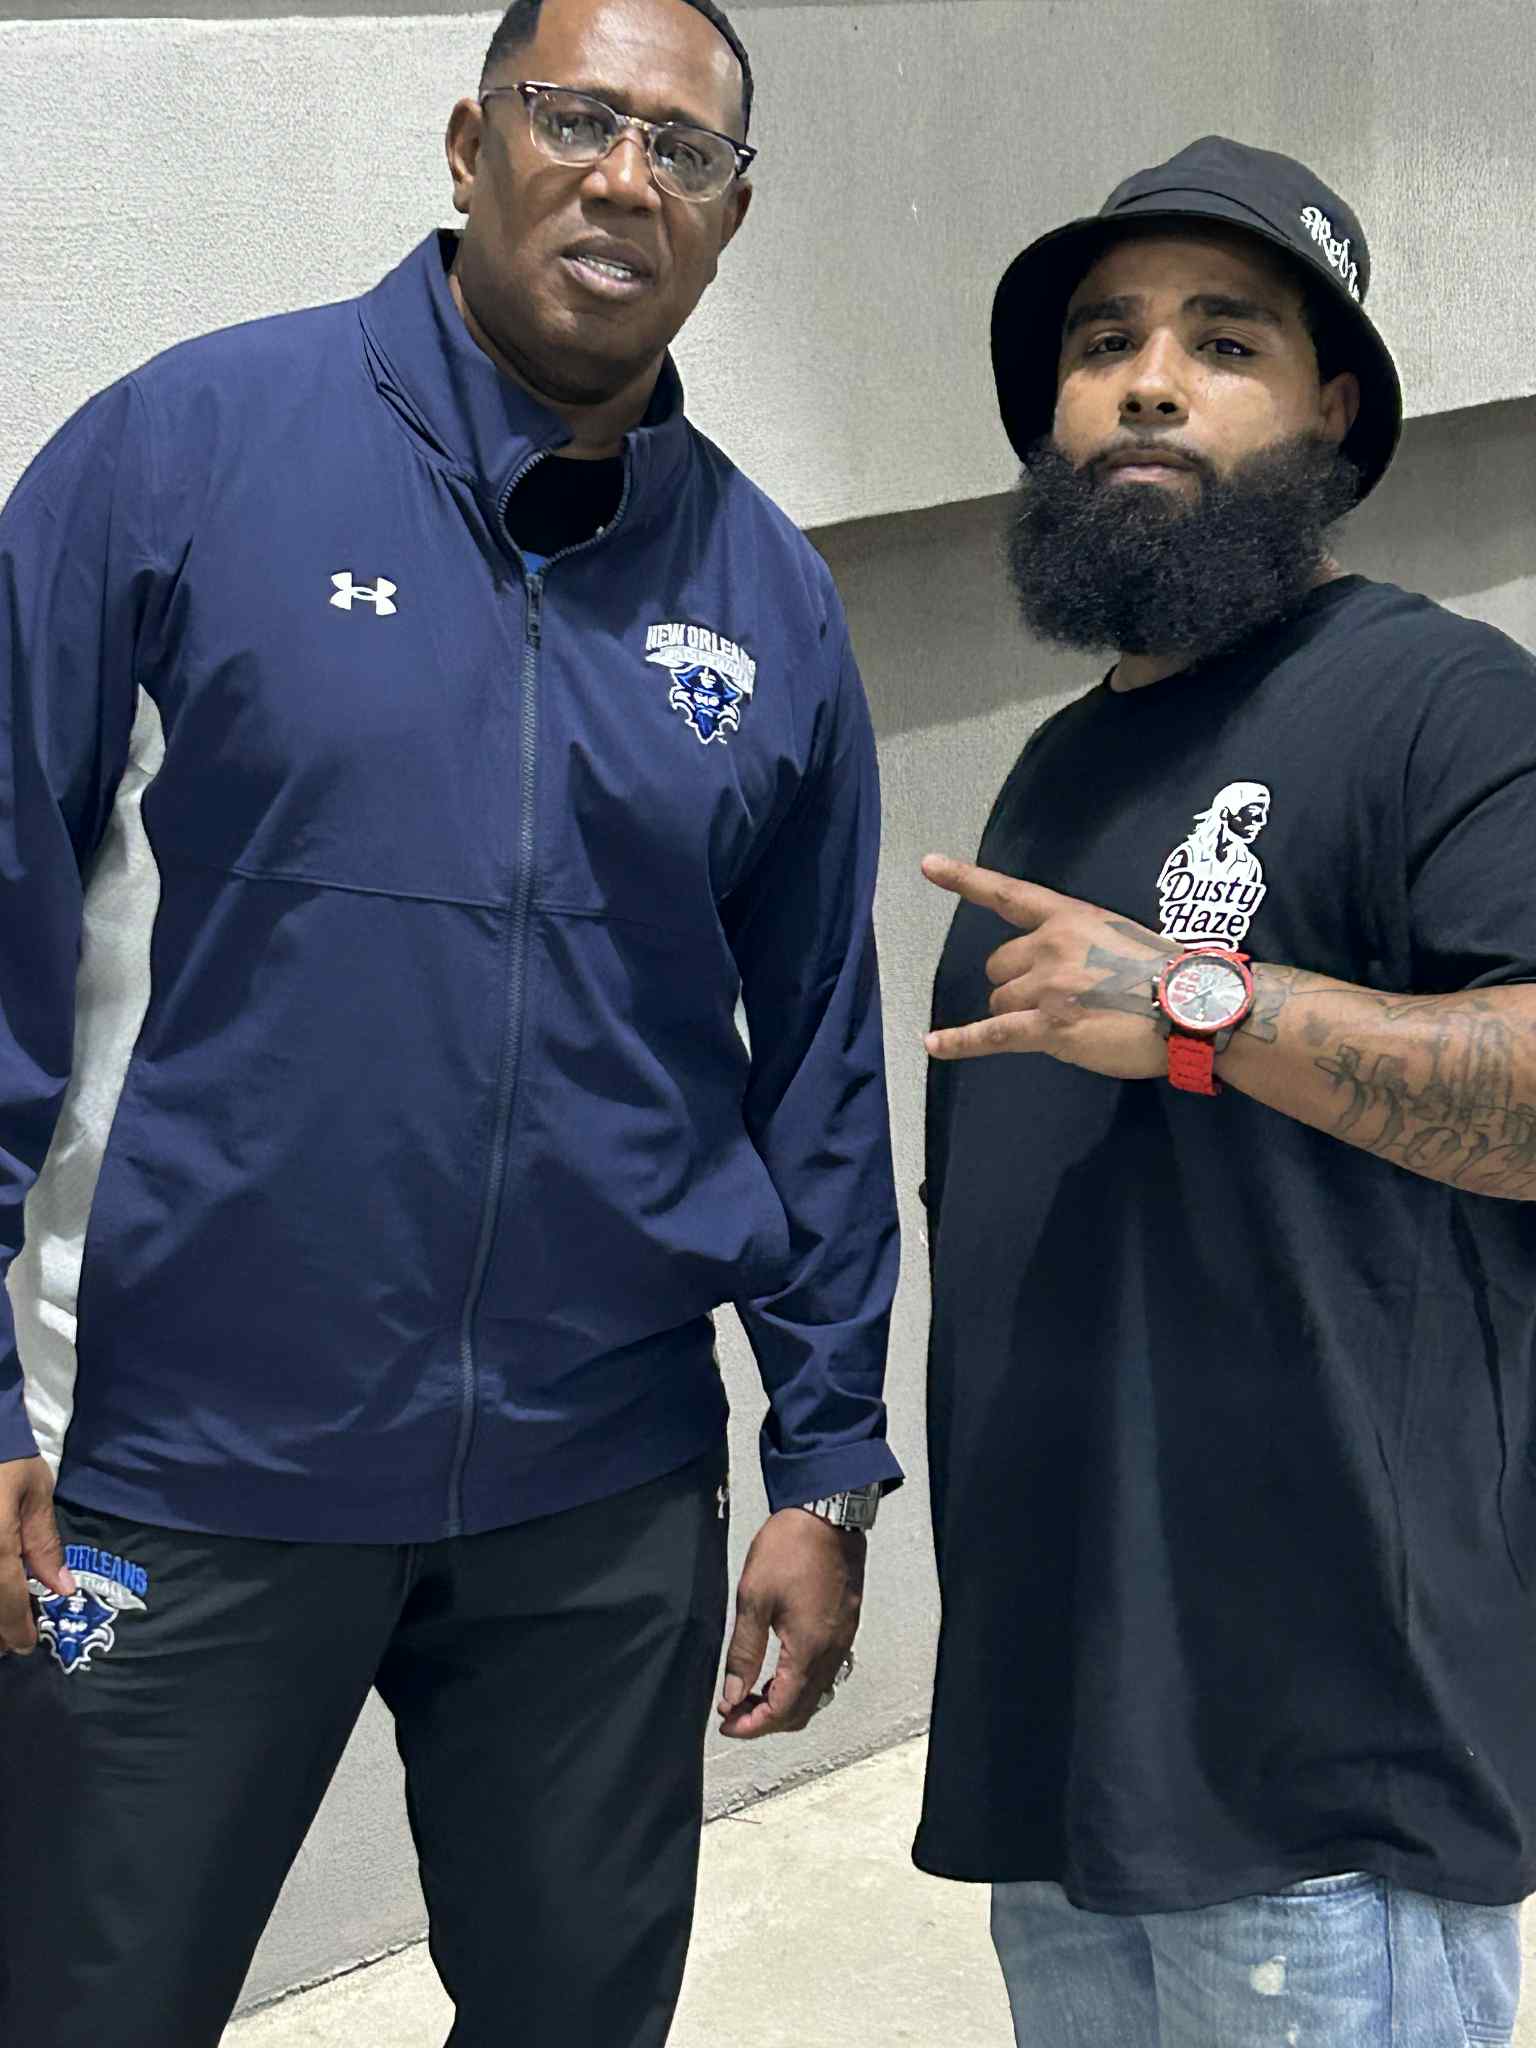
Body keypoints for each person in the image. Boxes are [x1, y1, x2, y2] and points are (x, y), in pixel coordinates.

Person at [0, 2, 902, 2041]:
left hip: (603, 1489)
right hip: (184, 1464)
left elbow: (816, 1054)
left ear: (730, 215)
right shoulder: (181, 458)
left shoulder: (764, 592)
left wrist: (827, 1456)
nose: (626, 179)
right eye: (576, 119)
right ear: (470, 144)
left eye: (686, 150)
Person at [915, 136, 1536, 2048]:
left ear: (1331, 408)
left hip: (1324, 1761)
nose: (1149, 382)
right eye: (1104, 343)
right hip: (1070, 1742)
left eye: (1225, 340)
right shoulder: (1055, 769)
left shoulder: (1444, 701)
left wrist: (1198, 1002)